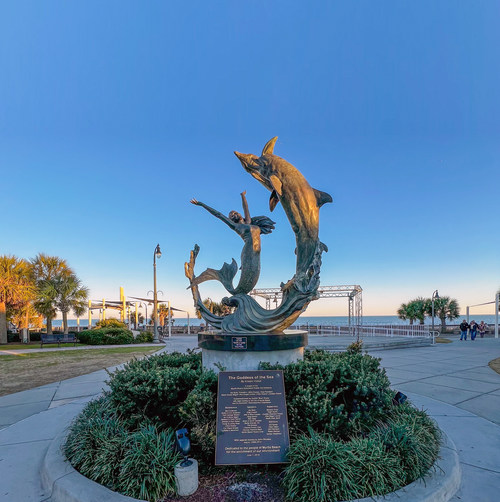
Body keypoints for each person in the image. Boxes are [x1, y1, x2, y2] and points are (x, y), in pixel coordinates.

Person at [190, 191, 275, 295]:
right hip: (249, 251)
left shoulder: (248, 222)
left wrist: (243, 196)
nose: (234, 214)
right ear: (231, 220)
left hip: (256, 252)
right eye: (231, 216)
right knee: (248, 277)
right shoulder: (236, 227)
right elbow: (218, 214)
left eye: (235, 212)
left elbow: (246, 208)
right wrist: (201, 204)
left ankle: (242, 296)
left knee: (254, 275)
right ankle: (237, 293)